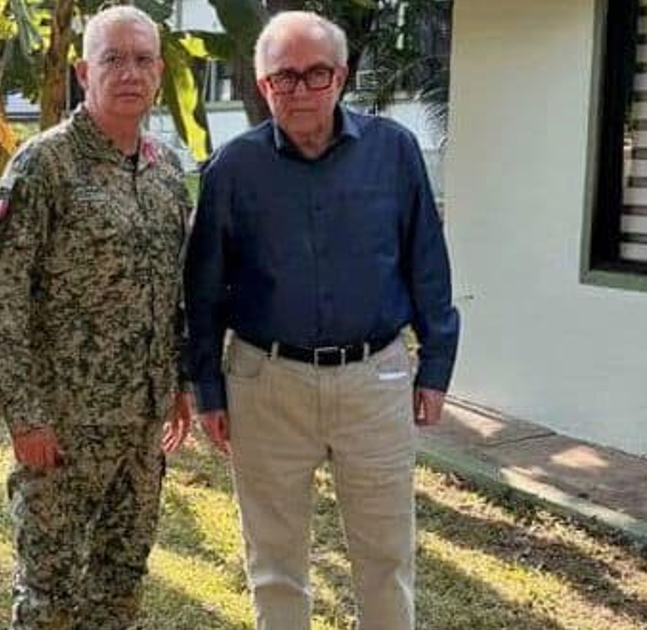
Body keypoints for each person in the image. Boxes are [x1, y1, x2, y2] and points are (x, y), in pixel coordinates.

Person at [184, 11, 460, 630]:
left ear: (341, 76)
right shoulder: (231, 169)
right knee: (274, 561)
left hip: (374, 380)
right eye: (284, 77)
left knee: (386, 556)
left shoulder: (393, 152)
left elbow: (426, 259)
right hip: (266, 383)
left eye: (316, 74)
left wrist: (436, 364)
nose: (301, 90)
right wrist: (207, 388)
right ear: (263, 85)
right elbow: (202, 290)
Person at [0, 6, 194, 629]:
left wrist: (176, 384)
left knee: (121, 580)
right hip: (64, 428)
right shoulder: (44, 165)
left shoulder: (166, 171)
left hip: (141, 425)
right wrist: (27, 416)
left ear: (158, 72)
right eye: (113, 59)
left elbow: (171, 289)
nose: (130, 73)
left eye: (143, 60)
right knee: (50, 594)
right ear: (82, 71)